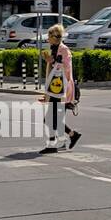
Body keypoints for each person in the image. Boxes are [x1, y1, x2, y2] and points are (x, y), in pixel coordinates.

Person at [39, 23, 80, 153]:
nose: (47, 38)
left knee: (50, 118)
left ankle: (54, 144)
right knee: (53, 118)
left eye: (49, 36)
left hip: (62, 88)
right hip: (55, 88)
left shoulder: (64, 50)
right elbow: (53, 70)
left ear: (54, 37)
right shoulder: (54, 48)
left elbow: (65, 69)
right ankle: (71, 135)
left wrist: (53, 61)